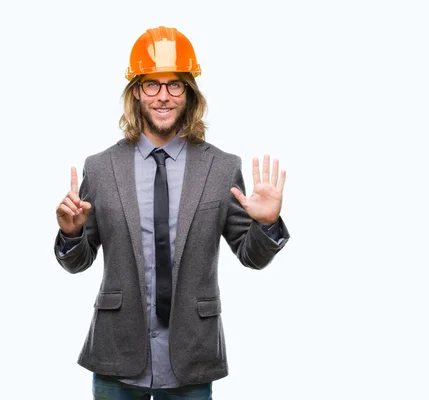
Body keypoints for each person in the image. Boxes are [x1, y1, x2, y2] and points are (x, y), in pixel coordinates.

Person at [54, 26, 290, 399]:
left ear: (189, 93)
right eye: (152, 85)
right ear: (136, 92)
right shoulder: (100, 168)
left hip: (191, 356)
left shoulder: (221, 168)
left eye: (175, 85)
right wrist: (71, 234)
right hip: (117, 354)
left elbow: (251, 257)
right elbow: (77, 262)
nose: (163, 97)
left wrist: (266, 224)